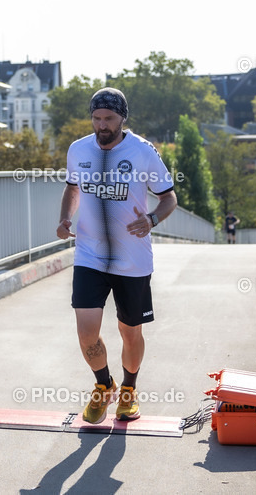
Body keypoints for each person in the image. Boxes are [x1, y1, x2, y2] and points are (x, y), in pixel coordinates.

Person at [57, 87, 177, 424]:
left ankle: (128, 390)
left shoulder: (142, 151)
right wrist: (66, 218)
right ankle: (103, 384)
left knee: (130, 332)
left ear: (123, 118)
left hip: (132, 260)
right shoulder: (78, 149)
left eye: (109, 118)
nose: (102, 125)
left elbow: (169, 197)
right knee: (86, 331)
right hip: (89, 255)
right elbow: (72, 187)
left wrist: (152, 219)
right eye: (96, 118)